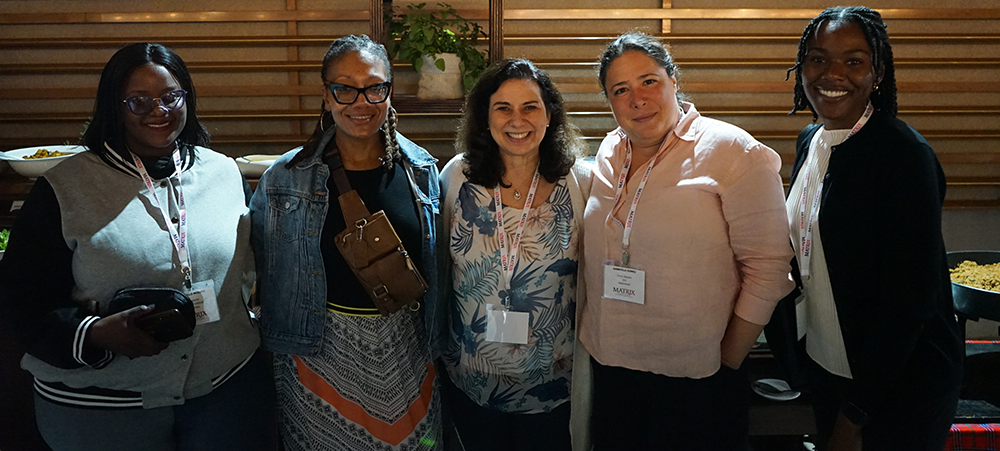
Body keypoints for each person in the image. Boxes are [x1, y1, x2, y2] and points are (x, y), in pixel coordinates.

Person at [0, 43, 276, 451]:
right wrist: (92, 334)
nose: (158, 110)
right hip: (103, 409)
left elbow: (249, 268)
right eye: (138, 100)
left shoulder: (223, 172)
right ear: (114, 105)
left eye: (170, 97)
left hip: (225, 393)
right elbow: (18, 299)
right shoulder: (64, 188)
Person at [579, 32, 795, 450]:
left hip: (695, 377)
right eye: (620, 89)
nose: (636, 98)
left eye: (648, 81)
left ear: (673, 80)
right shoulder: (609, 151)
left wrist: (727, 360)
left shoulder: (732, 151)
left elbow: (769, 266)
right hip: (611, 368)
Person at [776, 6, 963, 450]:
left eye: (853, 61)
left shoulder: (903, 157)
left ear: (877, 71)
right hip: (831, 364)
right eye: (818, 58)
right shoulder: (813, 139)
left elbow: (909, 303)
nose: (832, 73)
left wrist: (855, 414)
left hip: (897, 388)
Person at [250, 34, 444, 451]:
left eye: (375, 87)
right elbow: (261, 270)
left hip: (406, 350)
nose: (361, 101)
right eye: (345, 88)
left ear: (389, 91)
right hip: (316, 351)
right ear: (326, 95)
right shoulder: (285, 179)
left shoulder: (422, 171)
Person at [439, 58, 592, 451]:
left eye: (530, 107)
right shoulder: (458, 177)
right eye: (503, 108)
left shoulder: (580, 182)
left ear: (549, 115)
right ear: (485, 117)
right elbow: (439, 265)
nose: (516, 120)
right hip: (470, 378)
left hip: (552, 383)